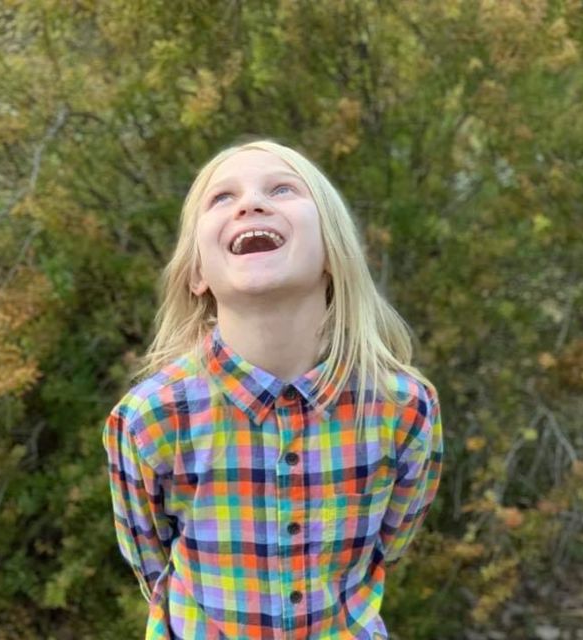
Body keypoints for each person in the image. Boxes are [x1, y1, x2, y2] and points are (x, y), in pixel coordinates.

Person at [102, 139, 444, 640]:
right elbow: (152, 566)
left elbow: (388, 546)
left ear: (333, 252)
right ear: (197, 273)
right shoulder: (150, 418)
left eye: (282, 189)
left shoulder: (403, 408)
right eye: (222, 197)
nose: (251, 203)